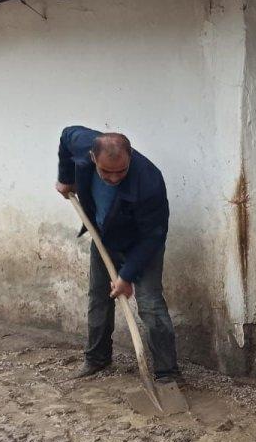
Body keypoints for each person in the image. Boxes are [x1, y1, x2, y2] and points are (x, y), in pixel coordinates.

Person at [55, 126, 179, 383]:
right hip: (103, 237)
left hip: (142, 245)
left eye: (120, 171)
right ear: (92, 158)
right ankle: (97, 359)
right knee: (99, 297)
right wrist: (66, 177)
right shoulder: (81, 143)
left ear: (130, 157)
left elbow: (153, 236)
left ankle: (167, 373)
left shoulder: (150, 181)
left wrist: (127, 276)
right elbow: (66, 136)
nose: (113, 178)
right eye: (105, 172)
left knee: (151, 305)